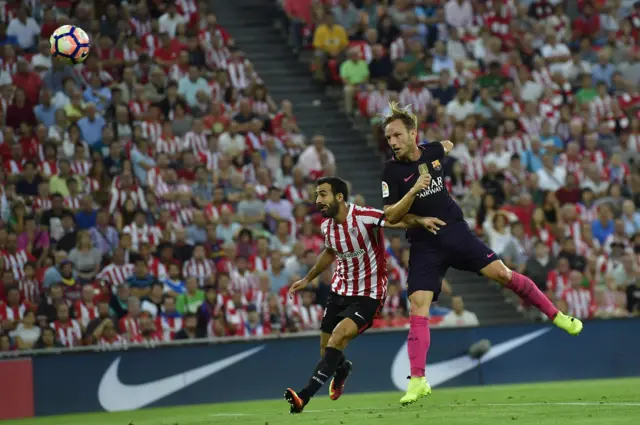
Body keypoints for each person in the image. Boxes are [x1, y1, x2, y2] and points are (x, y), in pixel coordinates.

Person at [380, 102, 583, 405]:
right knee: (418, 306)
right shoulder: (391, 171)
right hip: (425, 243)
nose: (393, 143)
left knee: (503, 274)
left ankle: (557, 316)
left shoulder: (432, 152)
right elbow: (389, 217)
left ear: (412, 133)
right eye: (388, 138)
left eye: (397, 135)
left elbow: (444, 146)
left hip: (457, 233)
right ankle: (418, 381)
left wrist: (447, 146)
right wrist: (415, 203)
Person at [284, 176, 443, 414]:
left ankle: (303, 398)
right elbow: (330, 251)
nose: (318, 200)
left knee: (338, 338)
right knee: (327, 350)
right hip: (339, 292)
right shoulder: (327, 226)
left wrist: (420, 220)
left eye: (323, 194)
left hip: (368, 295)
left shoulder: (364, 217)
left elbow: (394, 220)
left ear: (339, 197)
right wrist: (308, 278)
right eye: (317, 195)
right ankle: (342, 369)